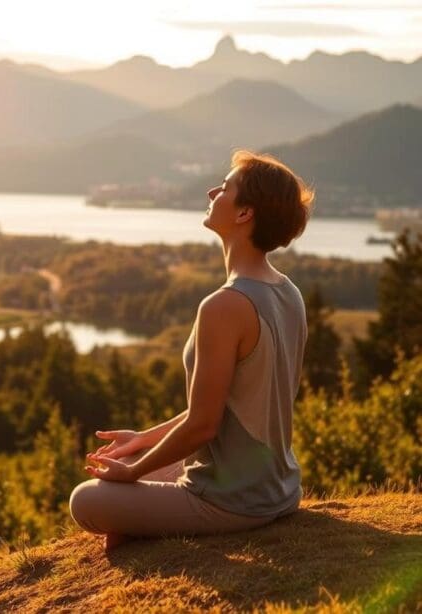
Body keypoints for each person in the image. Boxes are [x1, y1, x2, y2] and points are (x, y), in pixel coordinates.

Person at [68, 150, 314, 552]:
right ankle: (142, 514)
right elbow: (223, 406)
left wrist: (133, 475)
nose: (213, 190)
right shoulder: (288, 292)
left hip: (234, 502)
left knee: (87, 500)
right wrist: (143, 440)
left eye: (226, 187)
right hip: (279, 488)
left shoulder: (224, 305)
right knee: (145, 462)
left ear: (243, 214)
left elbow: (203, 426)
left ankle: (140, 523)